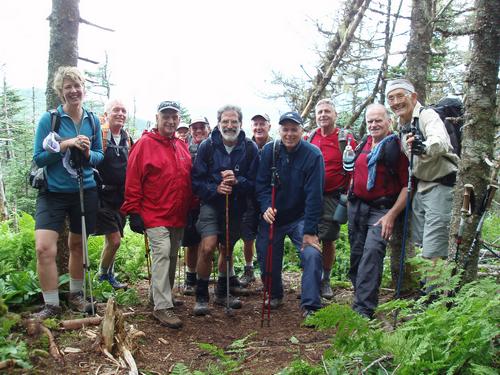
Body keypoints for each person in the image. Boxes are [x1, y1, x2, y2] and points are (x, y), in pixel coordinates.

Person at [32, 66, 104, 319]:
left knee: (77, 245)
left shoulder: (93, 120)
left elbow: (98, 156)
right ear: (61, 92)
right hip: (52, 192)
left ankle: (76, 295)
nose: (74, 91)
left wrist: (86, 153)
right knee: (44, 248)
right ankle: (51, 304)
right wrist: (66, 144)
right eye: (68, 87)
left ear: (83, 88)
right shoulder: (50, 119)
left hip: (85, 190)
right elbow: (39, 159)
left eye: (77, 86)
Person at [121, 100, 192, 329]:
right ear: (157, 118)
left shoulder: (180, 146)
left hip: (177, 212)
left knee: (171, 255)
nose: (170, 121)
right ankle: (162, 307)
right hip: (153, 212)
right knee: (162, 253)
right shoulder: (144, 145)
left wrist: (193, 206)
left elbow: (187, 179)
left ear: (178, 120)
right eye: (166, 117)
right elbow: (133, 179)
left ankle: (162, 295)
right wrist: (133, 211)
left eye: (174, 117)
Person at [386, 79, 459, 277]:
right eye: (391, 98)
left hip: (441, 186)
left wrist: (423, 147)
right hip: (421, 187)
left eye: (400, 96)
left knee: (434, 247)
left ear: (414, 97)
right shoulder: (402, 124)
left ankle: (433, 297)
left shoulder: (428, 115)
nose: (395, 102)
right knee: (422, 243)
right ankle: (429, 288)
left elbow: (441, 141)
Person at [256, 111, 325, 319]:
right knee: (265, 251)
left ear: (302, 131)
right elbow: (261, 184)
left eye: (294, 129)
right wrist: (266, 206)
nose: (289, 134)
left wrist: (310, 231)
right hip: (274, 217)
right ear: (279, 130)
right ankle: (274, 293)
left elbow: (315, 196)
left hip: (301, 217)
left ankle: (311, 306)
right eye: (285, 129)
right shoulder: (270, 151)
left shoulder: (313, 155)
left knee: (312, 254)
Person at [191, 104, 258, 316]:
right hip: (211, 203)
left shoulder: (249, 148)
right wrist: (216, 188)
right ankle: (201, 294)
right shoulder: (207, 146)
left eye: (234, 122)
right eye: (225, 122)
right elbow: (196, 181)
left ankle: (222, 292)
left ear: (240, 123)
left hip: (236, 205)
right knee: (208, 247)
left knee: (227, 248)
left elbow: (256, 182)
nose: (230, 125)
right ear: (218, 124)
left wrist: (237, 181)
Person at [347, 104, 409, 319]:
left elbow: (407, 186)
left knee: (372, 253)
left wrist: (391, 214)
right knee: (356, 255)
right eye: (370, 121)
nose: (373, 125)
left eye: (378, 120)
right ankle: (360, 294)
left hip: (382, 210)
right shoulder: (364, 143)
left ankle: (364, 309)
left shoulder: (396, 147)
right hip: (357, 207)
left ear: (388, 121)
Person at [309, 99, 356, 299]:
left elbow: (354, 167)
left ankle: (325, 279)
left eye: (327, 111)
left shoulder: (345, 138)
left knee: (328, 239)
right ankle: (311, 278)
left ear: (335, 115)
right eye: (320, 112)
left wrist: (349, 193)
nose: (323, 115)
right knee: (310, 236)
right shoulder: (310, 137)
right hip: (311, 195)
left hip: (333, 195)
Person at [95, 99, 132, 290]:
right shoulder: (100, 136)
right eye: (116, 110)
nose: (120, 113)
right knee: (115, 240)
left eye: (123, 110)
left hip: (121, 198)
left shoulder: (127, 138)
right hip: (102, 196)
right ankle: (102, 276)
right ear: (107, 113)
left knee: (112, 241)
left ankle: (109, 274)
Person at [239, 113, 273, 287]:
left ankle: (270, 273)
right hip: (249, 197)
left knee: (268, 237)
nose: (259, 127)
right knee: (248, 235)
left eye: (262, 124)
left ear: (269, 126)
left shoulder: (276, 146)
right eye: (255, 124)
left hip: (269, 198)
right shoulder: (246, 145)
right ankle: (249, 269)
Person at [183, 116, 211, 296]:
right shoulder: (183, 147)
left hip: (208, 200)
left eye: (202, 127)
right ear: (190, 130)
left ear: (208, 128)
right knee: (190, 242)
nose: (198, 130)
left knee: (205, 243)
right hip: (188, 201)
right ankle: (190, 277)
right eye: (195, 127)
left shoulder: (212, 147)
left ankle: (201, 279)